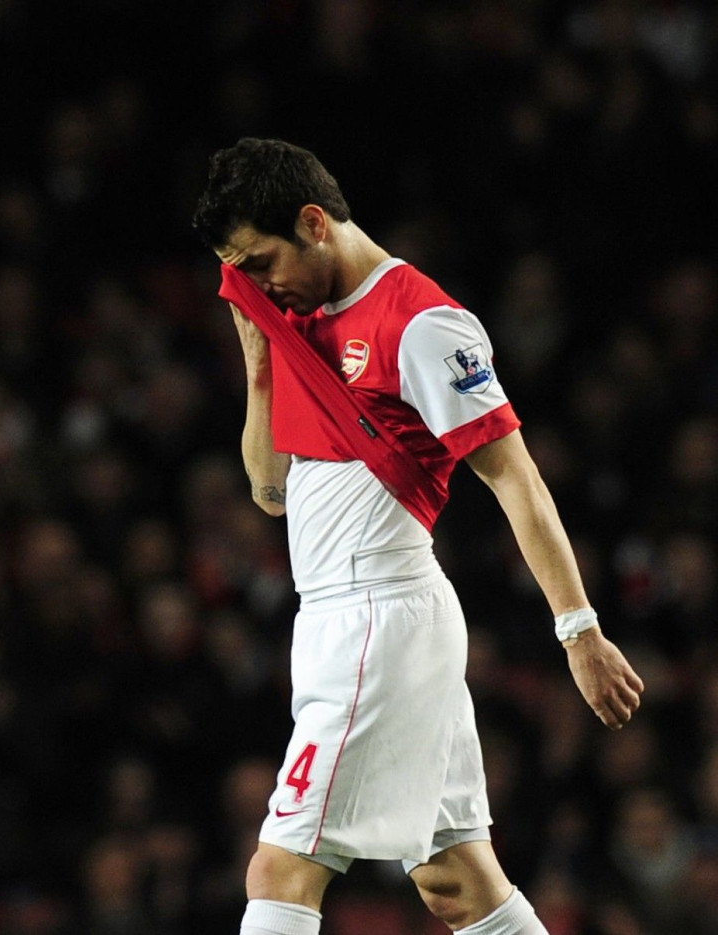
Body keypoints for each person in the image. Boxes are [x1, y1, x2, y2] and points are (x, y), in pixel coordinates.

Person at [192, 138, 644, 935]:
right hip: (335, 616)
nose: (259, 284)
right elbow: (269, 491)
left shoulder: (423, 323)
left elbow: (516, 478)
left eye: (263, 261)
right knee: (457, 881)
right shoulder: (299, 319)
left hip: (379, 616)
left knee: (279, 866)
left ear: (312, 222)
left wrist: (579, 631)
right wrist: (259, 361)